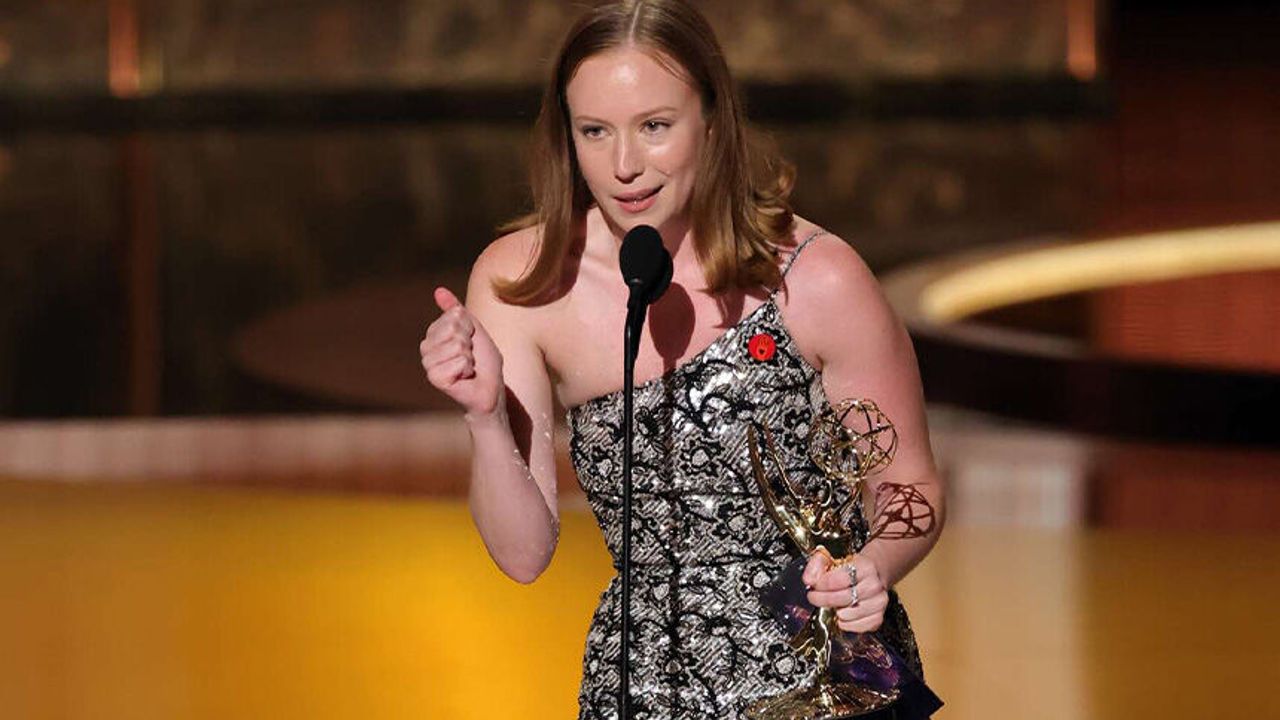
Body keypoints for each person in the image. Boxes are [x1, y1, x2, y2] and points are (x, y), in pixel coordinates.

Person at [419, 1, 946, 717]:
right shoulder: (524, 284)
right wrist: (484, 419)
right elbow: (522, 556)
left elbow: (909, 484)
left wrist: (870, 569)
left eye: (655, 127)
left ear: (712, 120)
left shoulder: (816, 277)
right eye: (595, 131)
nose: (624, 166)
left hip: (826, 670)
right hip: (642, 682)